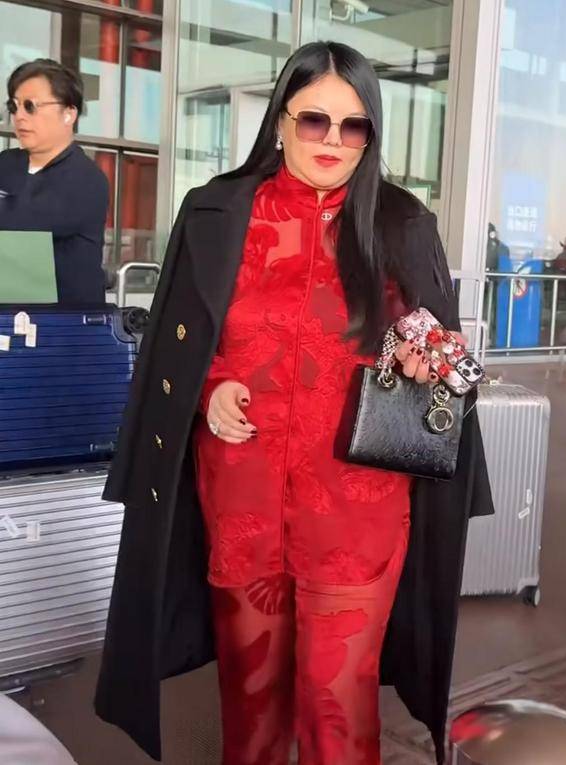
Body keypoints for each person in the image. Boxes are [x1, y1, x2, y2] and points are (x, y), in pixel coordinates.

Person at [94, 42, 494, 764]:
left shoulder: (401, 224)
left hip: (357, 513)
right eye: (314, 120)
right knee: (250, 707)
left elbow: (437, 355)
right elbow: (179, 344)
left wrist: (427, 363)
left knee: (338, 709)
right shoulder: (216, 213)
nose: (333, 140)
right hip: (241, 501)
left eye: (353, 125)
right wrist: (211, 387)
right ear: (280, 120)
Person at [0, 59, 108, 304]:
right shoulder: (6, 163)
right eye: (14, 106)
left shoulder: (87, 180)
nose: (19, 116)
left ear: (69, 113)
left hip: (63, 321)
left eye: (30, 106)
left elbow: (21, 225)